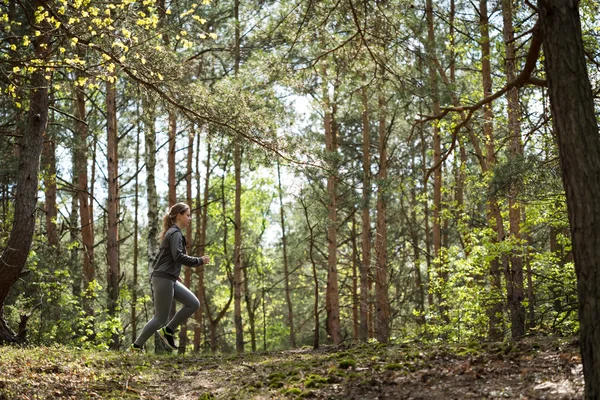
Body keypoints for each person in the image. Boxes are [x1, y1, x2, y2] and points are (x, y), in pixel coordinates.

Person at [131, 202, 210, 352]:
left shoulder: (174, 233)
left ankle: (168, 331)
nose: (190, 218)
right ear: (179, 216)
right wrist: (199, 260)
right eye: (187, 215)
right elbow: (178, 256)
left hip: (169, 278)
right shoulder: (175, 233)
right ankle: (135, 347)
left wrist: (174, 273)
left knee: (193, 303)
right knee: (160, 318)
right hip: (163, 278)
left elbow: (165, 258)